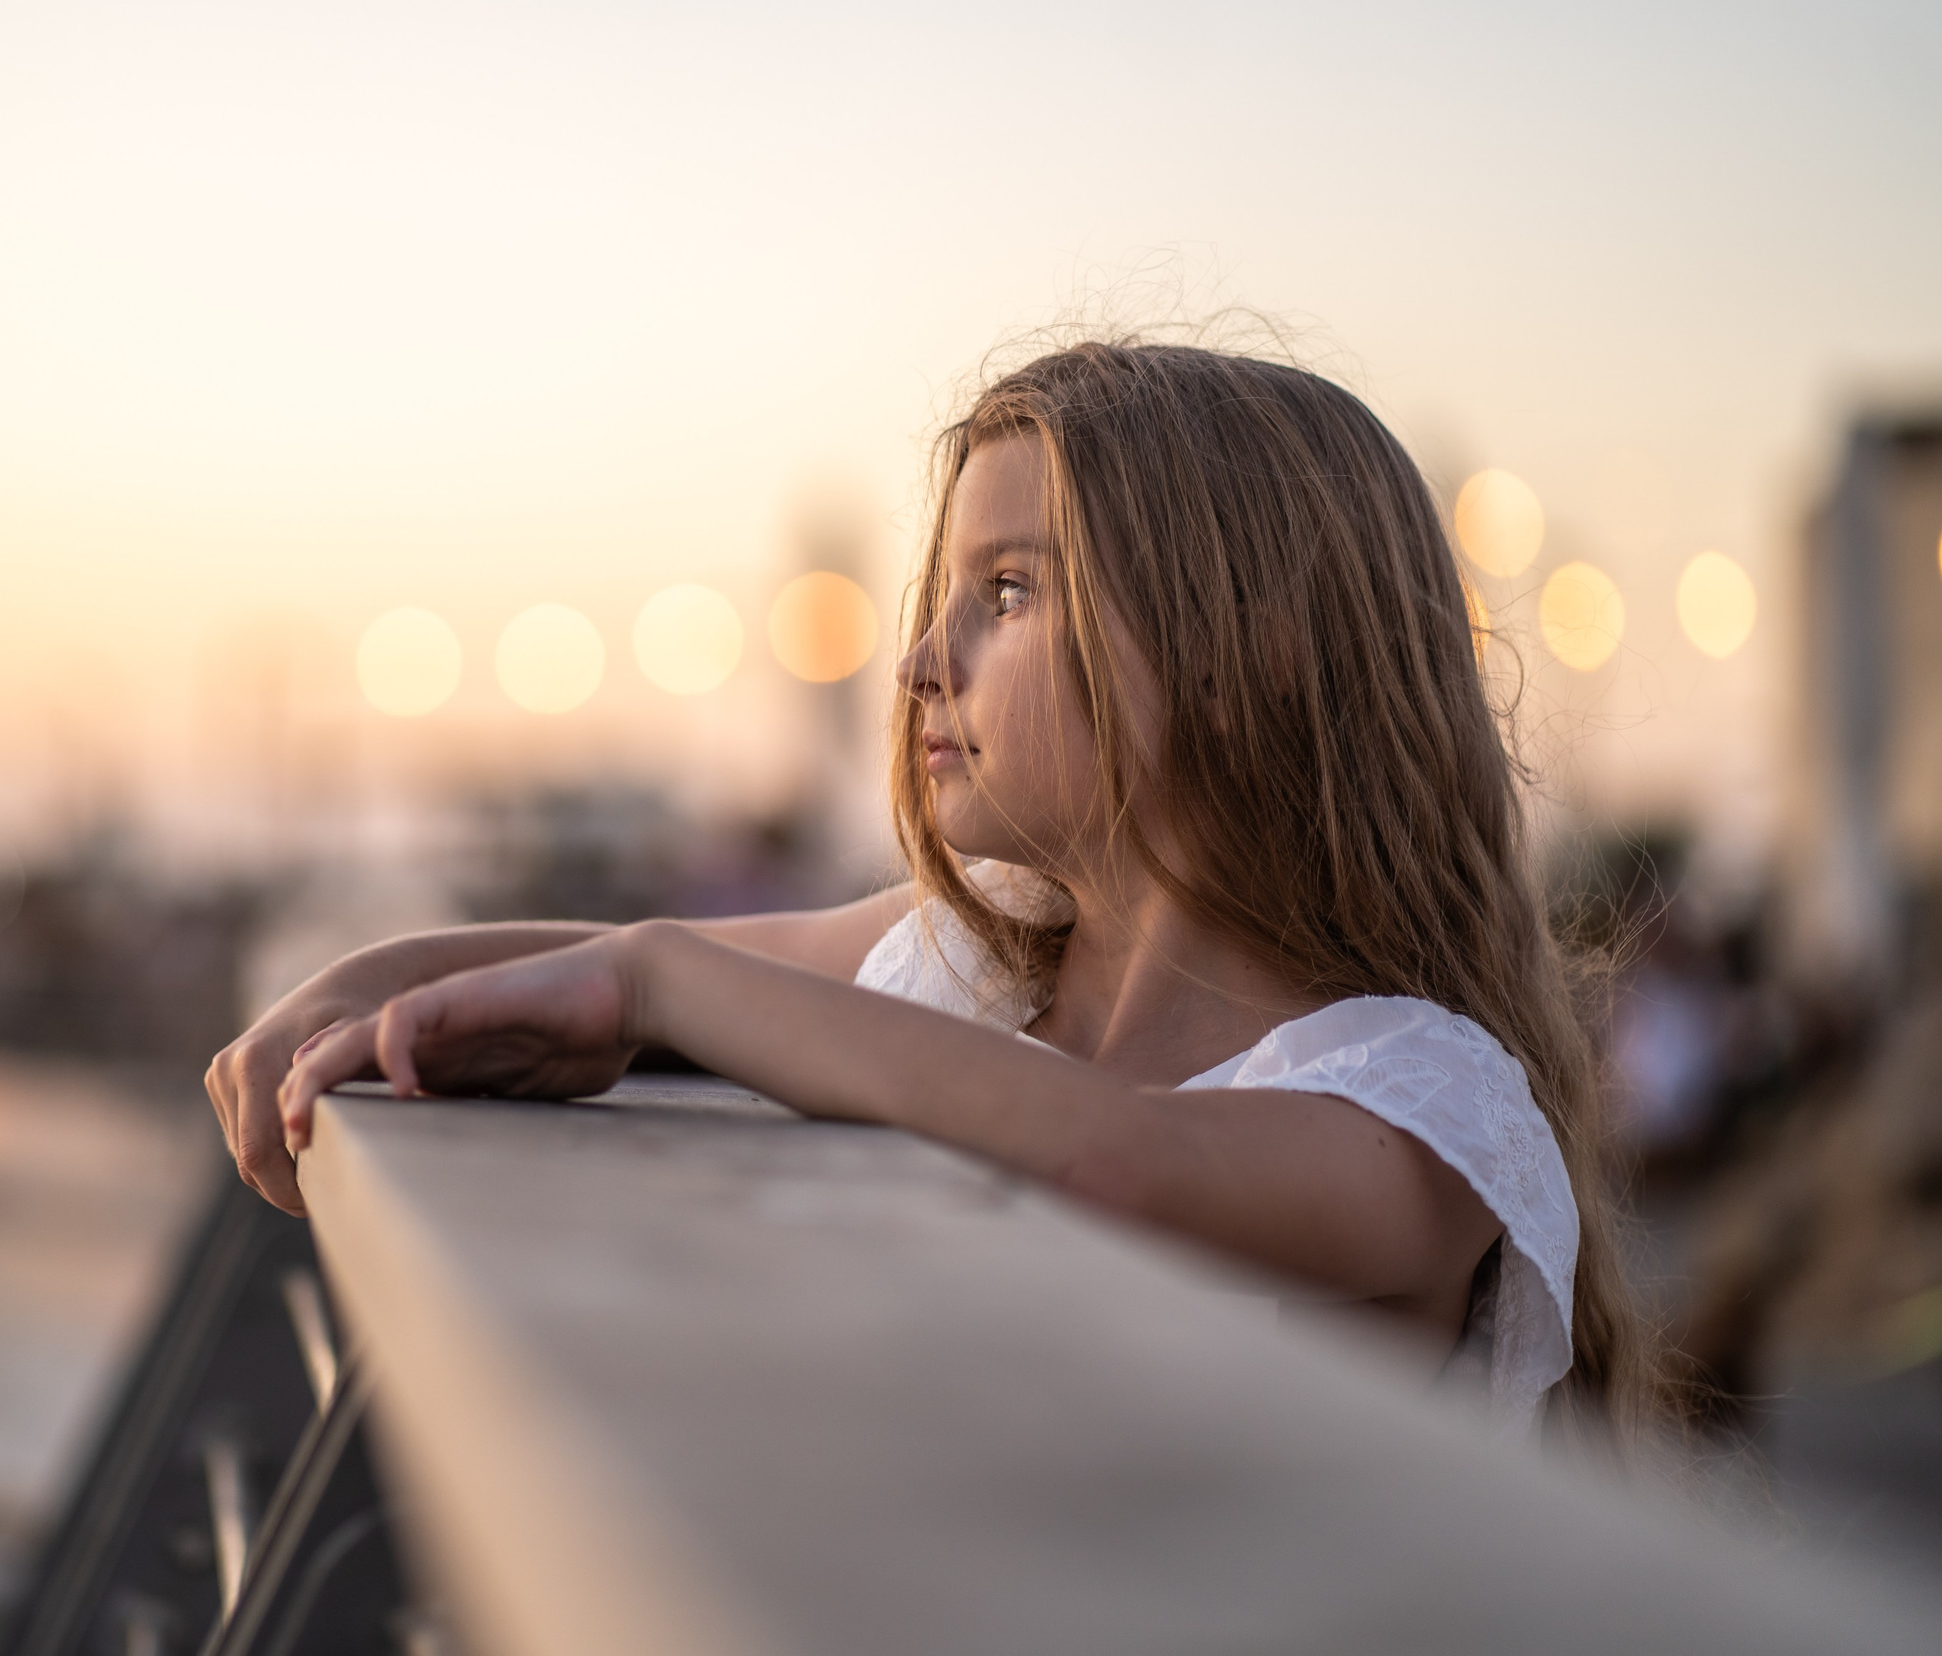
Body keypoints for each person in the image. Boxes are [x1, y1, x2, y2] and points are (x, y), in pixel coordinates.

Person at [205, 338, 1653, 1441]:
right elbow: (625, 955)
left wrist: (656, 984)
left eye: (1007, 592)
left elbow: (1122, 1167)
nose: (918, 665)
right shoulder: (981, 969)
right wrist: (355, 984)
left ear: (1253, 647)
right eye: (945, 598)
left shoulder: (1429, 1107)